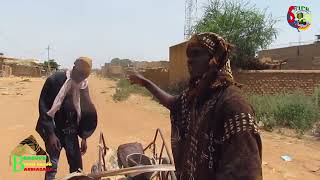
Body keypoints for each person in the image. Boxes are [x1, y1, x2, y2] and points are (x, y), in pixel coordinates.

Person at [129, 32, 262, 180]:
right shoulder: (196, 96)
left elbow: (245, 173)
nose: (189, 61)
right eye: (188, 56)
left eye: (196, 54)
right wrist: (146, 83)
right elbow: (173, 104)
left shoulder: (233, 104)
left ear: (214, 59)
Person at [36, 57, 98, 180]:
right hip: (54, 132)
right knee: (51, 168)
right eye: (80, 74)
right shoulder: (54, 80)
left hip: (72, 133)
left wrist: (84, 136)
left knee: (77, 170)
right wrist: (51, 134)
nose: (82, 78)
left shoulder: (83, 85)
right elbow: (43, 107)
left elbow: (86, 111)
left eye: (85, 76)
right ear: (74, 68)